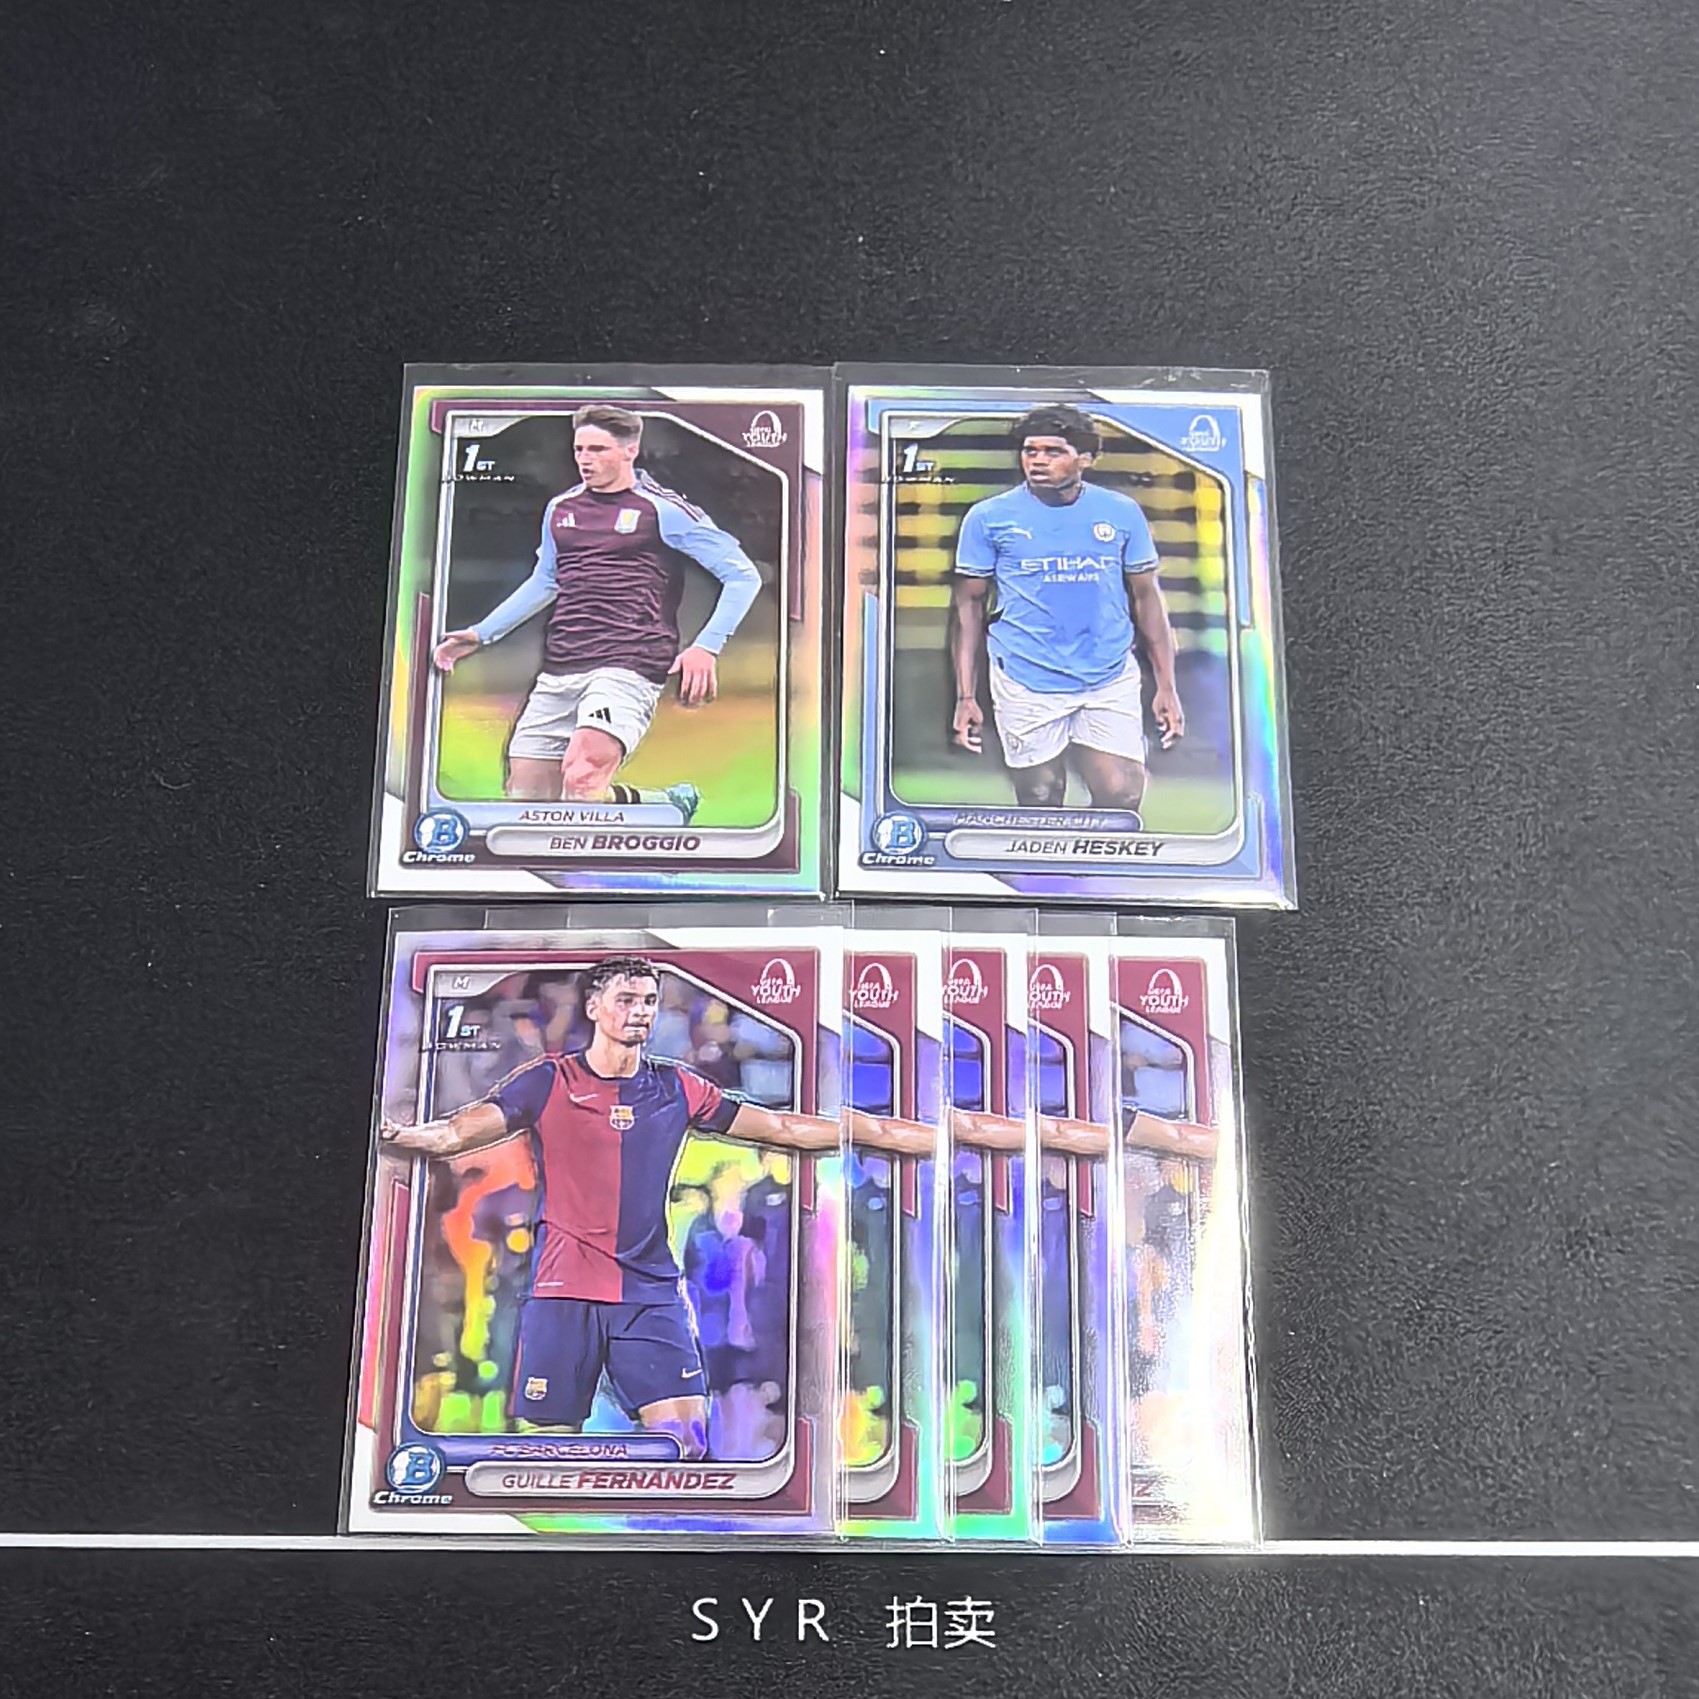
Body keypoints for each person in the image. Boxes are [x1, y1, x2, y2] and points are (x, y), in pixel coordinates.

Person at [380, 956, 934, 1460]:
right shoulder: (550, 1081)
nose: (641, 1011)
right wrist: (400, 1135)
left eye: (649, 1001)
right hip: (564, 1292)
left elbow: (783, 1127)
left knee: (686, 1446)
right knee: (548, 1459)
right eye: (626, 999)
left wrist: (880, 1132)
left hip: (649, 1293)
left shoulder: (676, 1088)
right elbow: (456, 1133)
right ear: (593, 1007)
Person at [432, 405, 763, 821]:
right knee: (527, 799)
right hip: (562, 664)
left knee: (582, 778)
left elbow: (742, 575)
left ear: (630, 450)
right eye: (579, 450)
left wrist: (707, 647)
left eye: (598, 449)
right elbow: (546, 580)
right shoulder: (561, 508)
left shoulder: (663, 510)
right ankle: (664, 805)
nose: (585, 460)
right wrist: (482, 633)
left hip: (630, 661)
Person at [949, 404, 1184, 822]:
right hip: (1025, 675)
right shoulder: (988, 518)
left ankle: (1102, 866)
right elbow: (968, 606)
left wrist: (1167, 685)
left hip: (1107, 673)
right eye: (1030, 450)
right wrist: (966, 696)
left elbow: (1147, 598)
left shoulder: (1121, 513)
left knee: (1122, 794)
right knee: (1041, 797)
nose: (1037, 461)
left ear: (1086, 458)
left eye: (1053, 451)